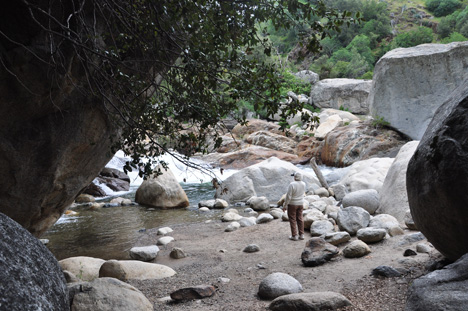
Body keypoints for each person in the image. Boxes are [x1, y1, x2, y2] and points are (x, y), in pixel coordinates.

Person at [282, 171, 306, 241]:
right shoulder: (303, 184)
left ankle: (294, 235)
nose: (294, 177)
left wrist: (284, 206)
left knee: (292, 219)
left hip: (292, 204)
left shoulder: (292, 184)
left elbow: (288, 196)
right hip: (300, 204)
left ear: (295, 177)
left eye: (294, 176)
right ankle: (302, 235)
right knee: (300, 218)